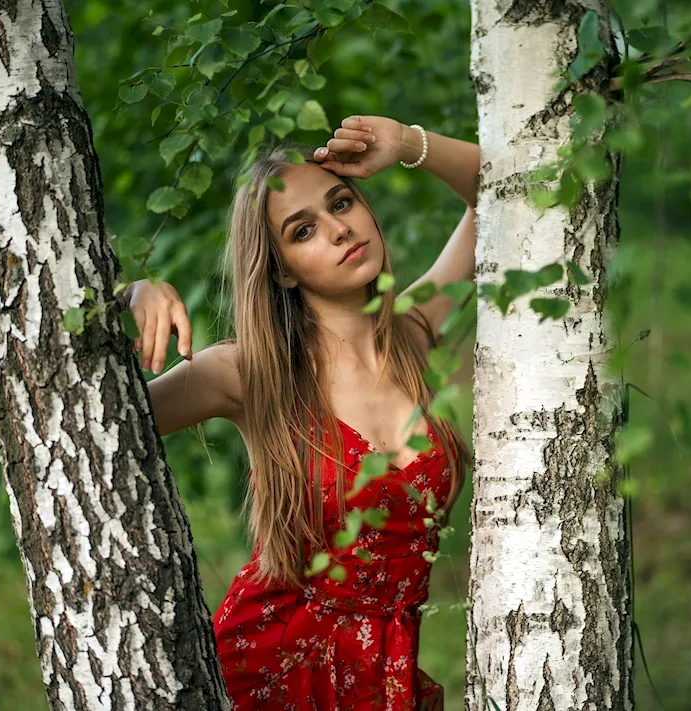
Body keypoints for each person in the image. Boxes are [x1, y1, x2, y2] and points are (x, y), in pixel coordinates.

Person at [123, 115, 479, 709]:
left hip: (386, 679)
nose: (339, 230)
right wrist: (126, 296)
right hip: (271, 669)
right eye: (304, 230)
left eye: (342, 203)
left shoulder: (414, 336)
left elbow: (503, 195)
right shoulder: (248, 372)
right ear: (282, 268)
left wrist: (405, 144)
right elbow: (87, 421)